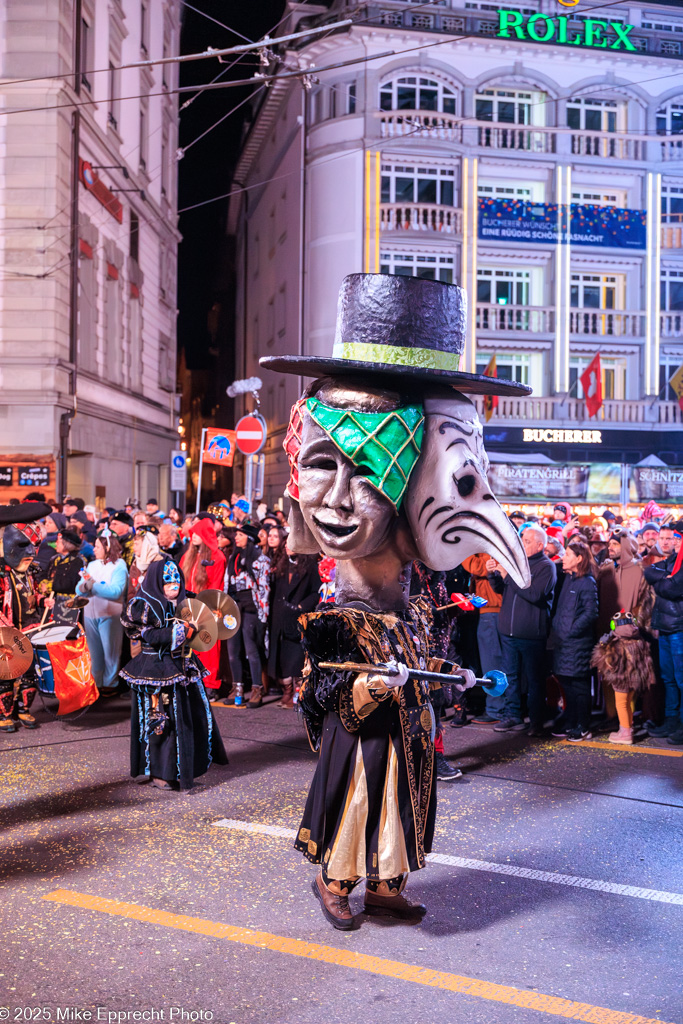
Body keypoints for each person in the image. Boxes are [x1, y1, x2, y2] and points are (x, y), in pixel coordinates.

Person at [264, 273, 530, 930]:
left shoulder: (414, 602)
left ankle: (386, 884)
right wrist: (371, 690)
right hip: (363, 738)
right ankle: (337, 881)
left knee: (403, 803)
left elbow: (431, 665)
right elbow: (321, 699)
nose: (335, 499)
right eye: (324, 463)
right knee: (357, 797)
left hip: (406, 733)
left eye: (376, 465)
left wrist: (448, 682)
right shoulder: (335, 619)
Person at [120, 558, 228, 790]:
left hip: (183, 666)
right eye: (168, 582)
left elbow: (206, 618)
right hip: (155, 671)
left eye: (177, 580)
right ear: (158, 582)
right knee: (160, 721)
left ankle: (185, 767)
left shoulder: (185, 600)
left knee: (191, 718)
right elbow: (149, 636)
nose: (174, 586)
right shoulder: (144, 604)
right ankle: (160, 772)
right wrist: (180, 631)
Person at [489, 524, 556, 735]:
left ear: (539, 545)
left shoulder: (546, 567)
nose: (521, 543)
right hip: (508, 632)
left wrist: (507, 575)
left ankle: (536, 722)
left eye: (526, 541)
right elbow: (503, 590)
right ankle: (512, 715)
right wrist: (494, 575)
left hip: (530, 635)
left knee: (534, 680)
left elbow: (535, 594)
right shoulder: (517, 563)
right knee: (510, 677)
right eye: (521, 539)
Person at [0, 507, 52, 732]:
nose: (32, 551)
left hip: (30, 628)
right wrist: (6, 626)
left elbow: (31, 596)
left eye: (35, 545)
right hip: (6, 634)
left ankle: (24, 710)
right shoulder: (2, 573)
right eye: (23, 546)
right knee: (6, 675)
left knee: (29, 674)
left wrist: (43, 601)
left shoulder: (30, 572)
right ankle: (5, 714)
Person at [549, 540, 598, 742]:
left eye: (568, 554)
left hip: (577, 643)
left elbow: (591, 613)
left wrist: (571, 631)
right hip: (564, 642)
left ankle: (583, 726)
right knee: (567, 683)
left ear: (579, 558)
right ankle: (572, 721)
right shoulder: (569, 579)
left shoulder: (587, 582)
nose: (563, 558)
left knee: (579, 686)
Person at [267, 542, 320, 708]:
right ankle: (287, 691)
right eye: (285, 545)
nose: (286, 547)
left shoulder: (310, 566)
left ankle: (297, 692)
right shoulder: (281, 565)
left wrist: (300, 606)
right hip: (280, 617)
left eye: (290, 544)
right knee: (281, 656)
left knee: (296, 656)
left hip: (297, 617)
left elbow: (315, 591)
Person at [591, 611, 656, 745]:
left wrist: (602, 645)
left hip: (621, 680)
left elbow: (604, 660)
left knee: (621, 704)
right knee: (627, 703)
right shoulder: (640, 640)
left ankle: (625, 733)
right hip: (635, 679)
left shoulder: (616, 643)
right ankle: (628, 727)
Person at [75, 534, 128, 696]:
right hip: (91, 613)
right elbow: (79, 589)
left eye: (97, 546)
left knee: (110, 651)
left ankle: (110, 683)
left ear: (107, 547)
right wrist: (87, 585)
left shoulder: (119, 565)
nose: (94, 549)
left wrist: (93, 585)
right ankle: (96, 682)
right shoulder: (92, 565)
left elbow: (115, 592)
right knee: (94, 651)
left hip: (110, 614)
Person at [224, 522, 270, 707]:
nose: (236, 537)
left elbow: (265, 590)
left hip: (251, 610)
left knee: (251, 651)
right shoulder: (233, 558)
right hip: (233, 609)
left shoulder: (261, 560)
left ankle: (257, 688)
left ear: (249, 538)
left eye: (240, 535)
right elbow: (228, 585)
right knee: (233, 652)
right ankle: (238, 688)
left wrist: (263, 616)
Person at [644, 537, 683, 745]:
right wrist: (666, 578)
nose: (673, 543)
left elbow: (672, 590)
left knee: (681, 679)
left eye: (677, 538)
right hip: (666, 627)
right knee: (668, 678)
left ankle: (682, 724)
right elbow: (648, 571)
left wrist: (664, 582)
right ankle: (671, 720)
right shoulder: (673, 560)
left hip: (679, 627)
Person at [180, 518, 226, 693]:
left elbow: (216, 587)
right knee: (190, 646)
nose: (193, 536)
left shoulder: (217, 557)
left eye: (197, 533)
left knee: (209, 649)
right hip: (188, 609)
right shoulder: (188, 556)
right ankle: (192, 680)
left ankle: (210, 685)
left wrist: (205, 609)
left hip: (207, 610)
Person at [462, 552, 505, 724]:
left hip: (492, 609)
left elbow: (475, 566)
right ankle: (498, 707)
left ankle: (496, 710)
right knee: (494, 660)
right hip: (489, 610)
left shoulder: (491, 549)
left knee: (492, 661)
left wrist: (463, 547)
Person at [42, 529, 88, 625]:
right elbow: (44, 575)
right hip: (52, 604)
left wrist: (49, 586)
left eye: (58, 542)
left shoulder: (80, 561)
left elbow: (71, 583)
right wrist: (42, 584)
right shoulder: (54, 559)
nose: (56, 544)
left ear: (66, 544)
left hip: (70, 606)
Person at [128, 524, 162, 598]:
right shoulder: (135, 564)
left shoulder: (160, 563)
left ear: (146, 545)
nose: (133, 548)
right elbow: (131, 592)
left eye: (136, 544)